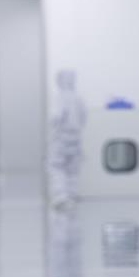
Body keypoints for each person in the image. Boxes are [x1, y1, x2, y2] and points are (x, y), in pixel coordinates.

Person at [48, 69, 87, 208]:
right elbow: (84, 118)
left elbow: (56, 117)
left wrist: (52, 133)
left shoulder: (59, 97)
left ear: (59, 81)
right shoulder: (78, 97)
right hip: (75, 138)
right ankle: (72, 196)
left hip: (61, 138)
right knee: (72, 170)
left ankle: (61, 198)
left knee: (57, 167)